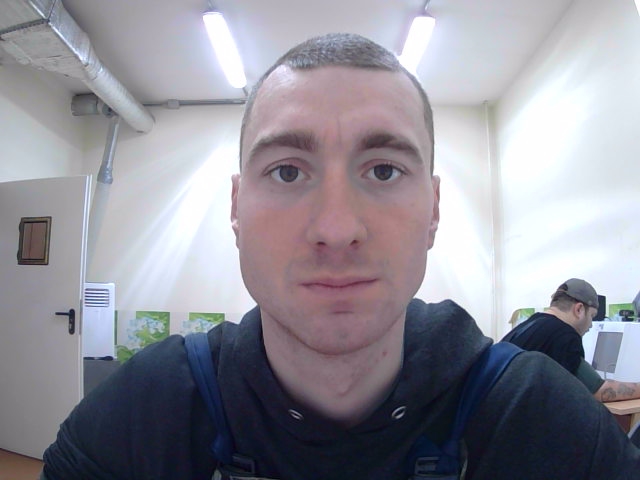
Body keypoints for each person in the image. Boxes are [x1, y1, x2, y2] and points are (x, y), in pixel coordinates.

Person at [41, 33, 639, 480]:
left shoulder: (539, 422)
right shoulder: (147, 411)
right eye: (286, 171)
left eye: (383, 170)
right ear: (236, 208)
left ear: (433, 210)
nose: (335, 229)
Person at [502, 278, 640, 402]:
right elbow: (600, 391)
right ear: (579, 309)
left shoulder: (530, 324)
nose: (591, 325)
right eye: (592, 316)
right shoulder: (564, 335)